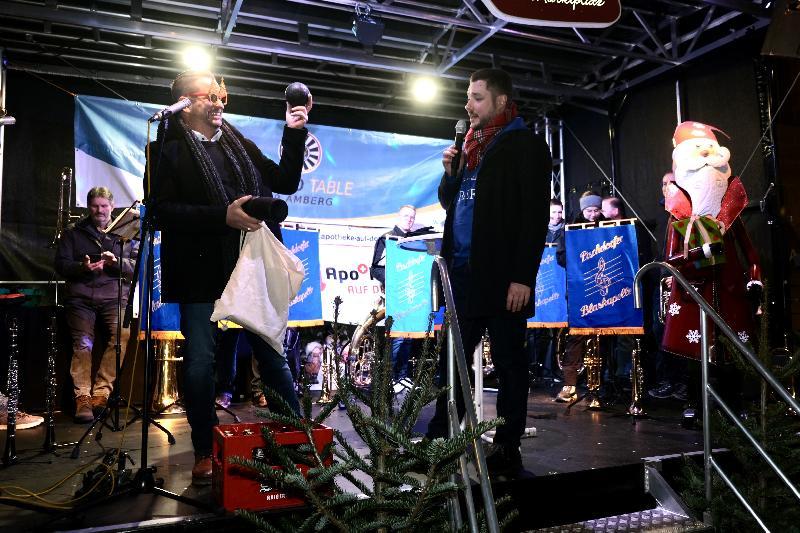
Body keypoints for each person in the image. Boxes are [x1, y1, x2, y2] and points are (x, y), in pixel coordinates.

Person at [147, 70, 309, 485]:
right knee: (200, 360)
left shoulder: (237, 141)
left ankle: (298, 438)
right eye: (208, 97)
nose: (219, 103)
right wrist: (222, 217)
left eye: (221, 96)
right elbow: (162, 212)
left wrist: (294, 131)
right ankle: (204, 449)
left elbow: (285, 182)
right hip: (200, 268)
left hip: (246, 265)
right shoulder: (165, 148)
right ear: (183, 105)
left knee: (271, 353)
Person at [424, 68, 552, 477]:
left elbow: (534, 215)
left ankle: (507, 445)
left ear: (500, 101)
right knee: (454, 360)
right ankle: (442, 438)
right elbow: (451, 203)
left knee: (511, 363)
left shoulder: (524, 144)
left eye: (477, 97)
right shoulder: (470, 148)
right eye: (467, 97)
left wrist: (523, 277)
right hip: (462, 274)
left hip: (502, 278)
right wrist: (451, 172)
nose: (468, 105)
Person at [55, 186, 137, 423]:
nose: (99, 210)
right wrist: (82, 267)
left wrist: (116, 263)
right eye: (94, 206)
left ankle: (101, 392)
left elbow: (136, 268)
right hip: (81, 298)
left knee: (122, 335)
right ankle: (82, 397)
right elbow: (60, 265)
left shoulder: (126, 232)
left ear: (112, 207)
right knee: (82, 344)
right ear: (88, 207)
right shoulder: (73, 232)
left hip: (115, 297)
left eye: (103, 206)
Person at [554, 191, 605, 403]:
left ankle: (604, 382)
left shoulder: (608, 228)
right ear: (582, 210)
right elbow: (561, 256)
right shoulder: (570, 229)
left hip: (605, 287)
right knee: (576, 335)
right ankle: (570, 384)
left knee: (607, 335)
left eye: (595, 210)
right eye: (589, 210)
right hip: (579, 288)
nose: (592, 214)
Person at [370, 205, 417, 381]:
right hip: (396, 295)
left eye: (412, 217)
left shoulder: (417, 240)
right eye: (406, 216)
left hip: (413, 296)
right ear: (398, 217)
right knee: (397, 338)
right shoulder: (386, 239)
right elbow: (375, 269)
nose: (409, 220)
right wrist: (395, 281)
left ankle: (402, 377)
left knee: (409, 337)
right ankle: (387, 379)